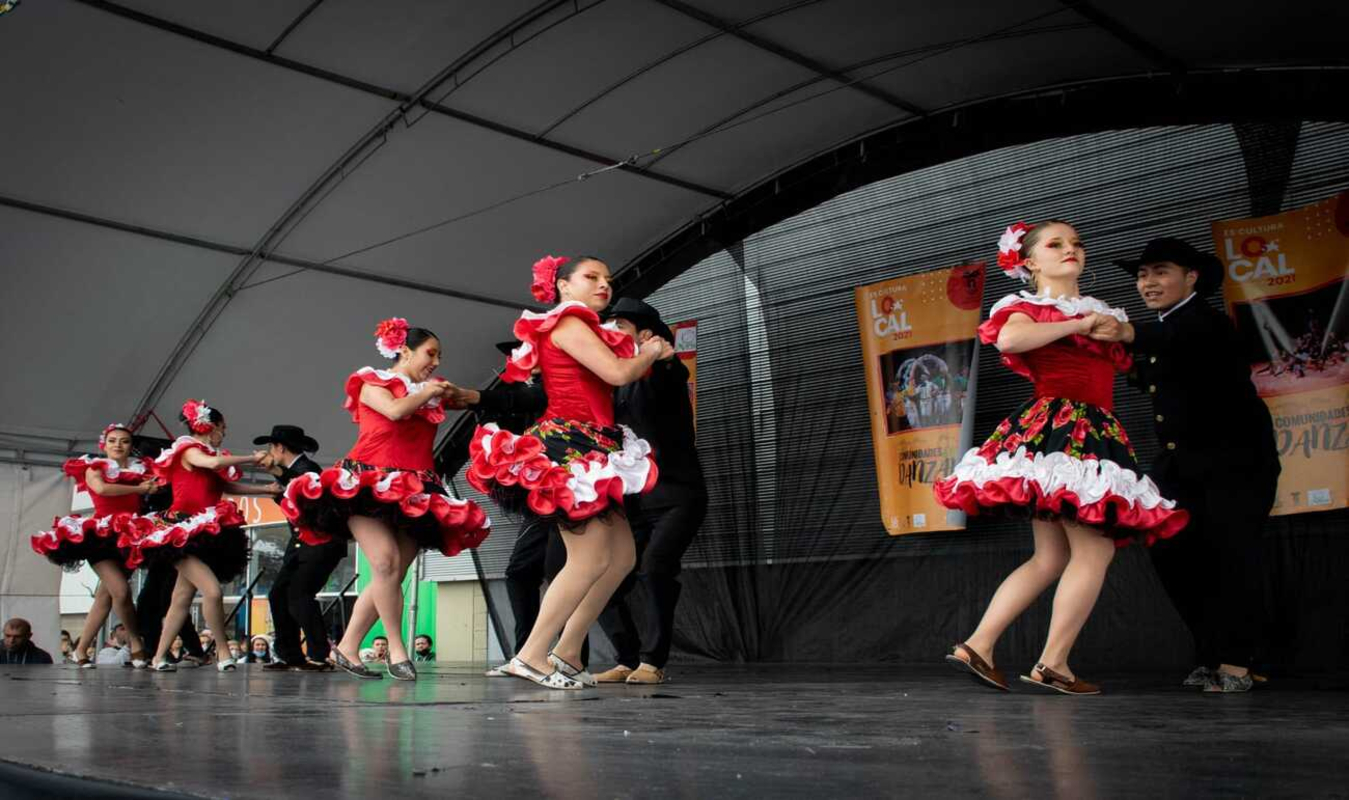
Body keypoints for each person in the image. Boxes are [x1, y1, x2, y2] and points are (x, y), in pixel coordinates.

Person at [934, 221, 1189, 695]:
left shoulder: (1099, 312)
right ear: (1029, 262)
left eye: (1076, 243)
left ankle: (978, 645)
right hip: (1067, 427)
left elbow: (1131, 361)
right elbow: (1009, 341)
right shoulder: (1023, 306)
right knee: (1096, 549)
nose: (1071, 250)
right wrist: (1077, 325)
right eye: (1055, 245)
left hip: (1086, 429)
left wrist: (1116, 328)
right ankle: (1053, 664)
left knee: (1051, 556)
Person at [467, 255, 670, 689]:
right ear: (562, 286)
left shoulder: (587, 328)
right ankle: (531, 654)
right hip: (568, 449)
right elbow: (617, 372)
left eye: (608, 280)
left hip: (595, 446)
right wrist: (650, 349)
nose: (603, 285)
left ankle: (567, 651)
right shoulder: (566, 323)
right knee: (591, 557)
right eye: (591, 277)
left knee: (621, 558)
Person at [1098, 238, 1281, 693]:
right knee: (1172, 552)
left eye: (1159, 272)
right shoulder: (1165, 330)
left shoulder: (1207, 322)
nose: (1148, 283)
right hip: (1181, 462)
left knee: (1232, 557)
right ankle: (1211, 653)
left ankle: (1237, 663)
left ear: (1191, 277)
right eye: (1142, 275)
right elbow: (1155, 373)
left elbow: (1178, 339)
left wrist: (1125, 333)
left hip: (1235, 462)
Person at [280, 319, 491, 681]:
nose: (436, 362)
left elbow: (467, 399)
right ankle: (396, 648)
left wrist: (467, 393)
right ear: (405, 350)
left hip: (416, 488)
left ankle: (347, 647)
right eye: (431, 353)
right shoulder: (370, 382)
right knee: (386, 563)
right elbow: (396, 411)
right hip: (365, 485)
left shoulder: (429, 390)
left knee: (391, 573)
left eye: (439, 355)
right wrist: (431, 391)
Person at [593, 298, 707, 685]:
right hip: (635, 501)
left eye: (619, 325)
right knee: (602, 577)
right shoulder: (615, 383)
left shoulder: (660, 371)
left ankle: (652, 662)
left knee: (656, 567)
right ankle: (625, 658)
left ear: (644, 334)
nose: (610, 331)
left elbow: (673, 376)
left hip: (678, 495)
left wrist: (662, 357)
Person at [125, 399, 280, 673]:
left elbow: (227, 486)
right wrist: (252, 458)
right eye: (223, 427)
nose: (225, 432)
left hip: (203, 529)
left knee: (181, 598)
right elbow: (213, 462)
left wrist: (266, 490)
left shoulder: (209, 456)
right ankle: (222, 650)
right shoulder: (188, 449)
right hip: (180, 531)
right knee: (212, 590)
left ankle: (159, 656)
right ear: (212, 426)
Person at [443, 341, 562, 676]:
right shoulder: (515, 388)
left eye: (525, 351)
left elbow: (532, 399)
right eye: (515, 354)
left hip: (569, 486)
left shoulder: (559, 381)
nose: (517, 359)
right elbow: (504, 413)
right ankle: (528, 654)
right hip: (542, 496)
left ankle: (563, 657)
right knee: (526, 572)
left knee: (561, 574)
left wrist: (475, 397)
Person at [30, 424, 158, 669]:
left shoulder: (141, 470)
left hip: (130, 535)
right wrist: (141, 488)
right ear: (104, 444)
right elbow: (102, 489)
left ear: (131, 446)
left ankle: (80, 650)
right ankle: (136, 642)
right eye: (112, 441)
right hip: (100, 536)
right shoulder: (94, 467)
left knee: (105, 597)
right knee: (120, 591)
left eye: (124, 441)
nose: (118, 445)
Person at [255, 425, 342, 672]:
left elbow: (301, 489)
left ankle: (319, 655)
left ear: (280, 447)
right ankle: (289, 654)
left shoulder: (308, 470)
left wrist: (275, 471)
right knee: (278, 594)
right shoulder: (292, 472)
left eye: (271, 447)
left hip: (321, 543)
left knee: (300, 595)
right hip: (299, 545)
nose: (269, 452)